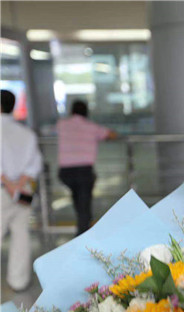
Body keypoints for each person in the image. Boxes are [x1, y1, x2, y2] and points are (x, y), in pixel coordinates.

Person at [0, 89, 43, 291]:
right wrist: (18, 185)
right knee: (21, 234)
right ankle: (18, 280)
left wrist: (8, 184)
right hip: (23, 190)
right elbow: (35, 163)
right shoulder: (26, 133)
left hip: (2, 190)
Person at [57, 100, 118, 235]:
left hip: (65, 172)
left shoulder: (62, 124)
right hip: (84, 171)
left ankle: (82, 228)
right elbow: (112, 134)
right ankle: (82, 237)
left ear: (71, 111)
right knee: (84, 205)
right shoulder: (92, 127)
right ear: (86, 112)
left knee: (78, 199)